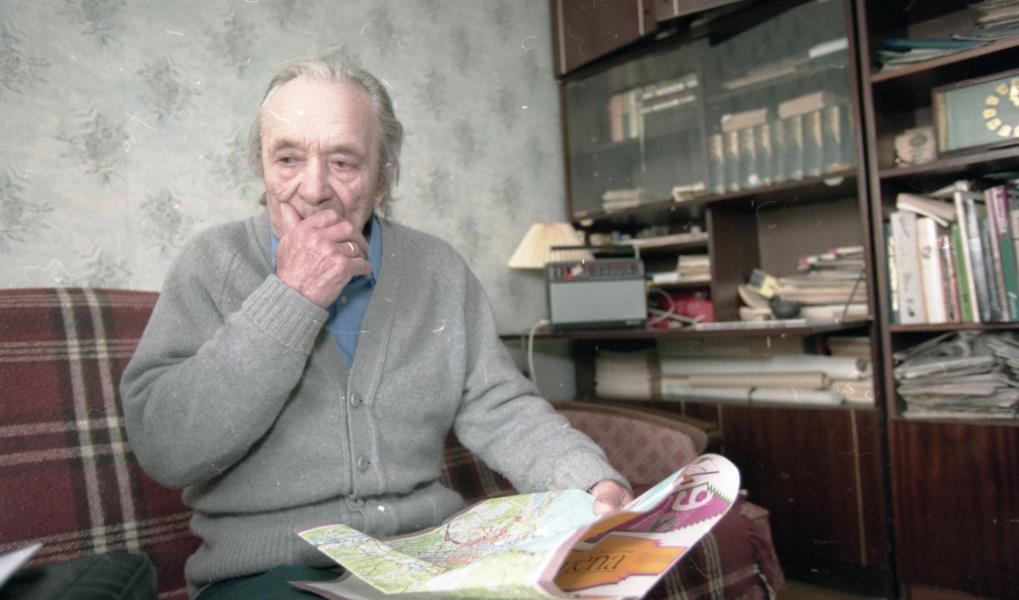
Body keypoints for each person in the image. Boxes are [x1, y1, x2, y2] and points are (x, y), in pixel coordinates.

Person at [120, 57, 632, 599]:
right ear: (261, 166)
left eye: (343, 162)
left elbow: (499, 405)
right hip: (268, 573)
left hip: (423, 561)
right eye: (288, 158)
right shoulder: (211, 263)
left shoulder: (437, 268)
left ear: (383, 177)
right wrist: (291, 296)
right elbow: (167, 449)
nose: (313, 189)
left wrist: (586, 480)